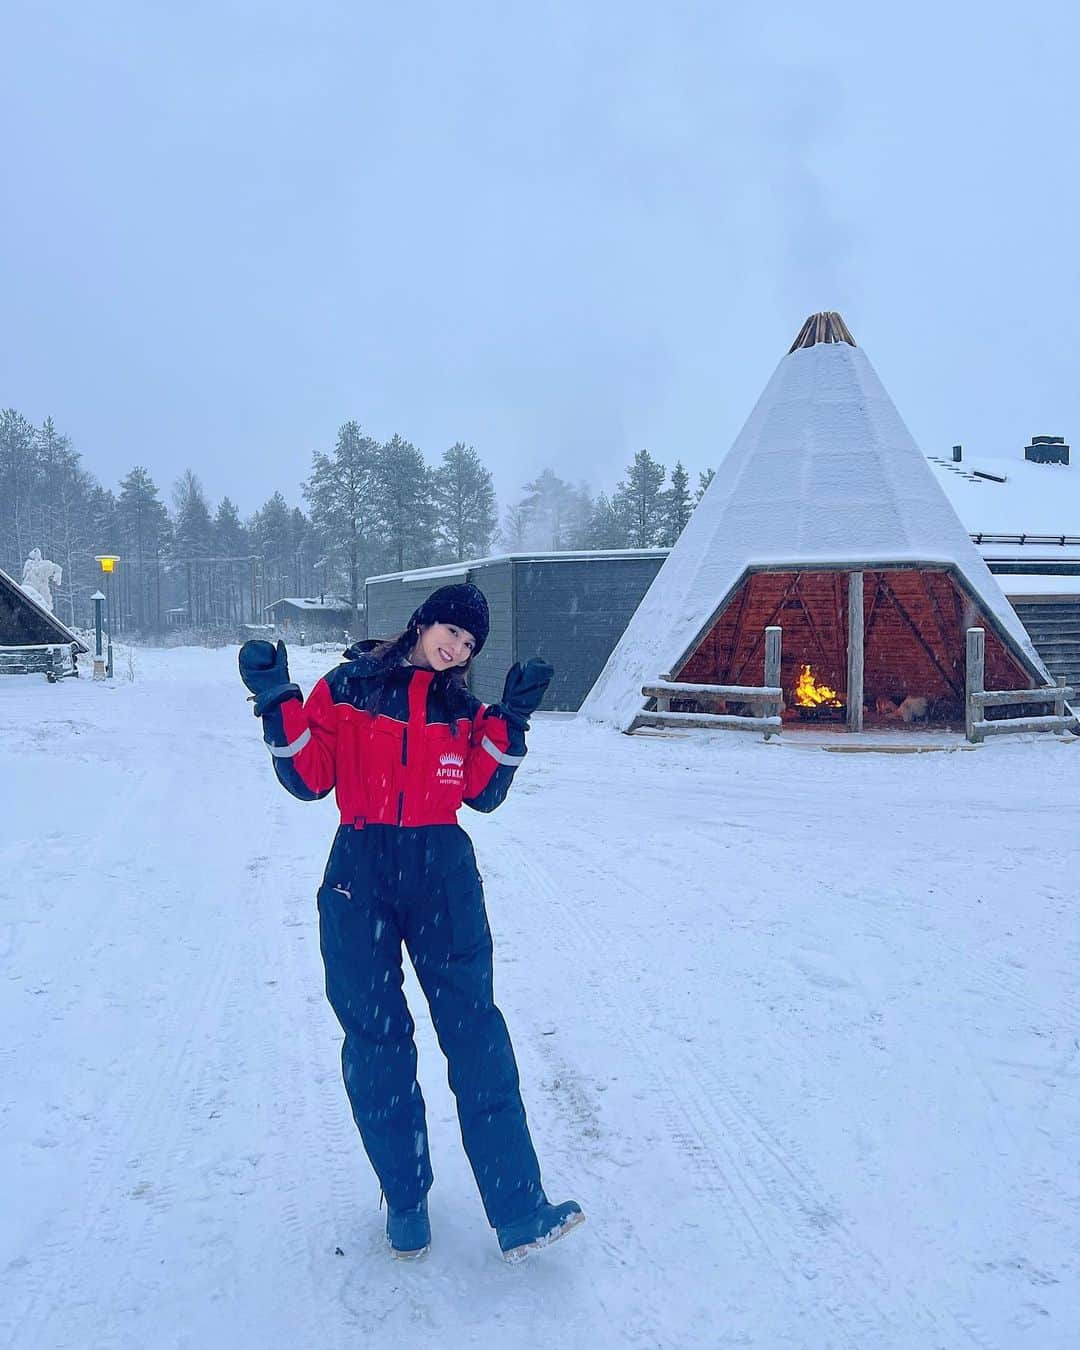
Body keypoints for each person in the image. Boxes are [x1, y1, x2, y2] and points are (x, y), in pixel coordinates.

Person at [238, 583, 583, 1263]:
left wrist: (512, 716)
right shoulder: (347, 687)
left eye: (469, 644)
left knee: (476, 1035)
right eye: (450, 632)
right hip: (358, 876)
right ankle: (405, 1201)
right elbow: (308, 778)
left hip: (443, 877)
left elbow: (483, 792)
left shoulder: (464, 710)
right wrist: (278, 699)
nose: (456, 649)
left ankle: (519, 1209)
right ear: (423, 622)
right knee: (377, 1044)